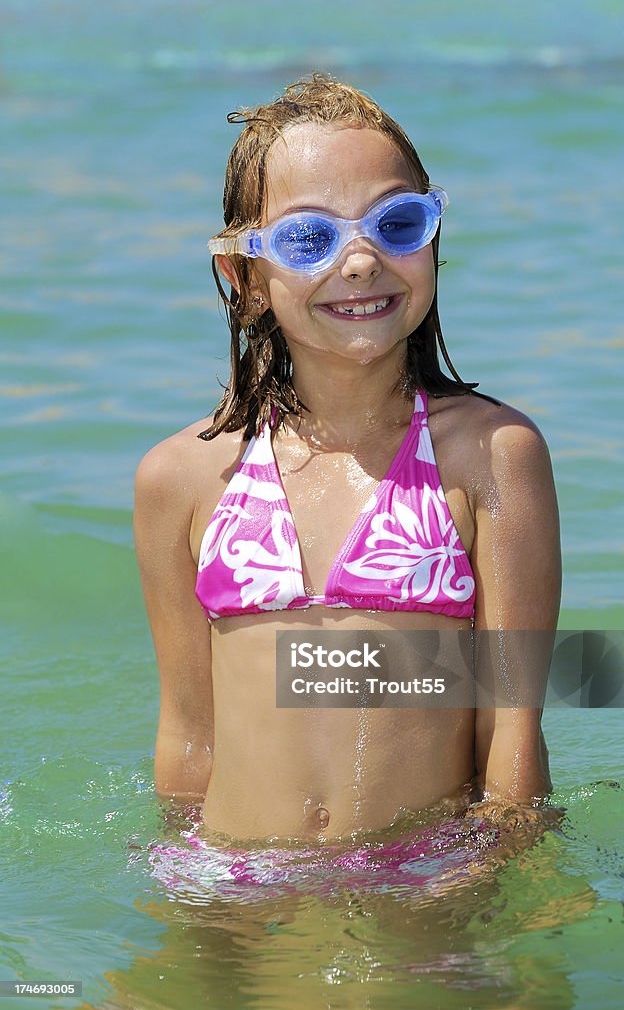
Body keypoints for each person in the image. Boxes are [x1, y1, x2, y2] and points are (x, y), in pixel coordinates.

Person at [134, 74, 561, 849]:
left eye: (396, 224)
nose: (361, 261)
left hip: (424, 881)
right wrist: (186, 904)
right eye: (309, 239)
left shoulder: (491, 455)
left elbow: (512, 729)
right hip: (237, 880)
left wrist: (499, 891)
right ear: (247, 279)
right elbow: (190, 736)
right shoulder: (183, 479)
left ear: (431, 238)